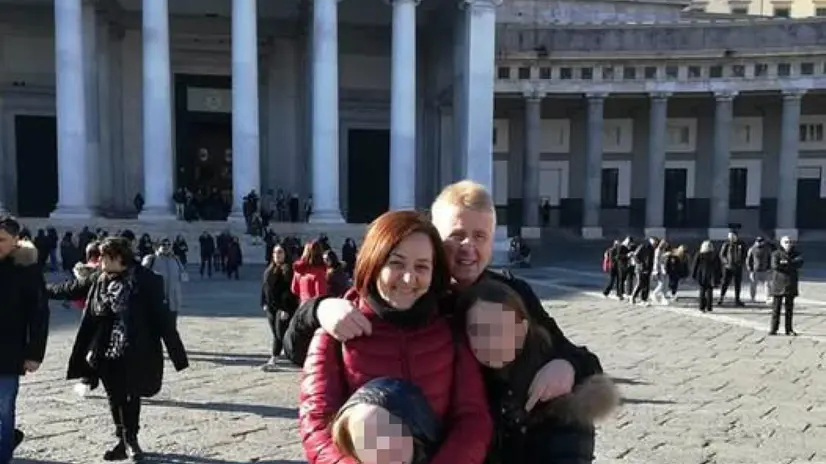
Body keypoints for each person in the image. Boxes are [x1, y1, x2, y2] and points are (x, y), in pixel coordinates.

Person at [285, 180, 604, 454]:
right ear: (434, 240)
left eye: (480, 236)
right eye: (457, 235)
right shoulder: (411, 297)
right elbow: (298, 351)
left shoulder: (510, 293)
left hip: (516, 445)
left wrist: (567, 365)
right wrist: (318, 309)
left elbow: (577, 357)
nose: (468, 247)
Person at [299, 210, 492, 464]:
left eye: (421, 266)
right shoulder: (337, 329)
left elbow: (472, 418)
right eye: (396, 263)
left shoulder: (451, 331)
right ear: (374, 262)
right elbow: (316, 422)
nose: (408, 278)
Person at [48, 237, 189, 462]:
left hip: (135, 348)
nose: (99, 261)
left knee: (132, 394)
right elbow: (71, 289)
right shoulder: (99, 277)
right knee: (114, 396)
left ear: (118, 257)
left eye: (103, 256)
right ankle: (122, 440)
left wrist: (177, 354)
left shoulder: (147, 280)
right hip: (104, 348)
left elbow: (162, 318)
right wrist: (39, 288)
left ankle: (131, 439)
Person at [459, 278, 618, 464]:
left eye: (502, 328)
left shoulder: (560, 397)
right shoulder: (474, 385)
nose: (491, 341)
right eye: (478, 331)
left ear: (523, 329)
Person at [0, 216, 49, 463]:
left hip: (8, 352)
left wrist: (34, 353)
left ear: (16, 241)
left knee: (4, 409)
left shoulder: (26, 270)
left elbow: (39, 314)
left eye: (1, 240)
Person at [260, 244, 297, 371]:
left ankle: (274, 358)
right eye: (275, 252)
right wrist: (263, 302)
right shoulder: (269, 269)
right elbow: (265, 287)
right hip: (271, 307)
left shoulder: (289, 270)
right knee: (276, 333)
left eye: (280, 252)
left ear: (285, 254)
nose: (277, 255)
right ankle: (284, 356)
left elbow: (290, 292)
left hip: (283, 308)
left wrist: (286, 309)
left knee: (280, 334)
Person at [142, 238, 187, 322]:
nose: (166, 247)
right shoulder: (151, 259)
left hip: (173, 301)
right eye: (163, 244)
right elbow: (141, 276)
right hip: (156, 300)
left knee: (171, 327)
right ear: (157, 246)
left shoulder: (175, 259)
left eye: (168, 244)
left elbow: (183, 276)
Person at [769, 236, 803, 336]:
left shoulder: (796, 253)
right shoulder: (776, 254)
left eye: (790, 242)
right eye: (786, 242)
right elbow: (775, 266)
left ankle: (789, 329)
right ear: (781, 243)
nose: (788, 244)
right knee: (776, 309)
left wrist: (785, 263)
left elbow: (799, 263)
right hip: (778, 284)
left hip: (791, 284)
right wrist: (790, 264)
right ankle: (773, 328)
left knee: (789, 309)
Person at [692, 240, 721, 313]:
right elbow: (718, 266)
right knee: (710, 291)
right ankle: (709, 307)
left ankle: (701, 307)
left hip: (701, 275)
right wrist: (719, 275)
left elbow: (695, 266)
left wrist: (694, 274)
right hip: (711, 275)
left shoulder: (699, 254)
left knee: (702, 291)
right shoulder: (714, 255)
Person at [719, 230, 747, 306]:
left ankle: (737, 299)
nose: (732, 238)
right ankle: (721, 298)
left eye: (733, 236)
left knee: (737, 284)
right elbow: (722, 255)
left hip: (738, 267)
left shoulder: (741, 244)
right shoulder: (726, 244)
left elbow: (745, 254)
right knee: (725, 283)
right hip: (728, 267)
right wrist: (726, 262)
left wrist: (741, 262)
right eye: (730, 236)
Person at [746, 236, 772, 304]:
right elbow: (748, 260)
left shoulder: (767, 249)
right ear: (755, 241)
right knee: (753, 285)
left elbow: (770, 259)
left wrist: (769, 268)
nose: (759, 243)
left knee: (767, 285)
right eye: (758, 241)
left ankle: (768, 298)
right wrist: (750, 270)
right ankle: (752, 298)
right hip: (755, 270)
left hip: (765, 270)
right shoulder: (752, 249)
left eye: (761, 241)